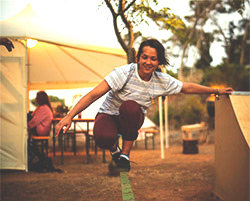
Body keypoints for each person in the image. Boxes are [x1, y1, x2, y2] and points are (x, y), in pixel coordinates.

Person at [55, 39, 233, 173]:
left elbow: (186, 87)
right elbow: (94, 94)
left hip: (132, 116)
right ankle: (114, 149)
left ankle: (125, 155)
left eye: (153, 59)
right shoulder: (124, 73)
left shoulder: (161, 80)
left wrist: (215, 91)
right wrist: (69, 116)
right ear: (138, 58)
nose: (148, 62)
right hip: (108, 114)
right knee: (101, 137)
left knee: (130, 106)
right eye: (144, 57)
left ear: (159, 62)